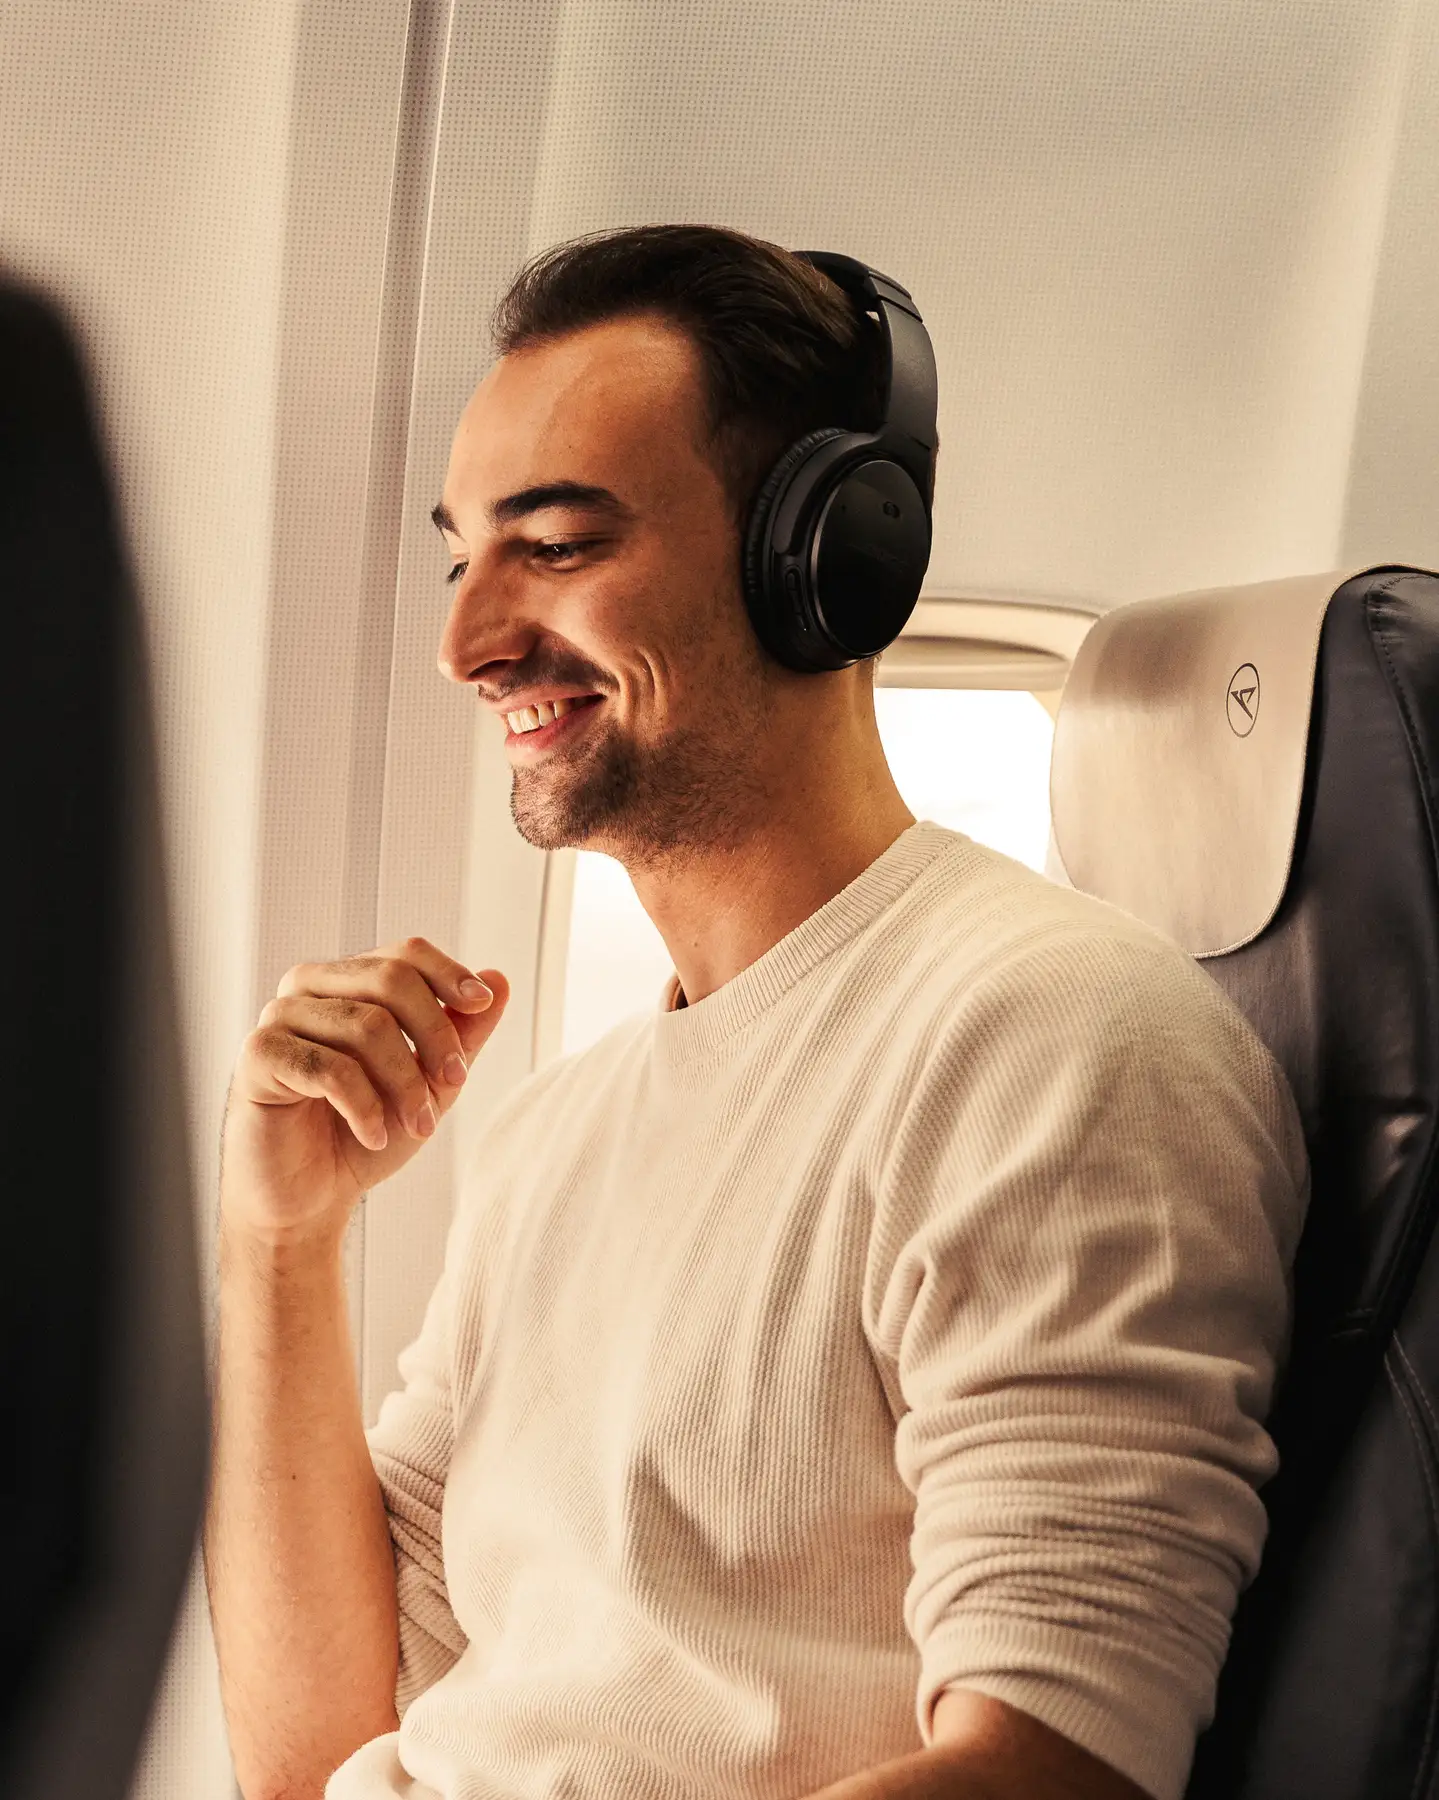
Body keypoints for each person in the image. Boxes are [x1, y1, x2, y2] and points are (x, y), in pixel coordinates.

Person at [204, 225, 1308, 1800]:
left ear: (826, 554)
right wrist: (278, 1246)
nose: (466, 643)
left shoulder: (1053, 1042)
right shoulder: (555, 1135)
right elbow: (316, 1750)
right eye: (462, 559)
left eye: (561, 544)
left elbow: (1051, 1770)